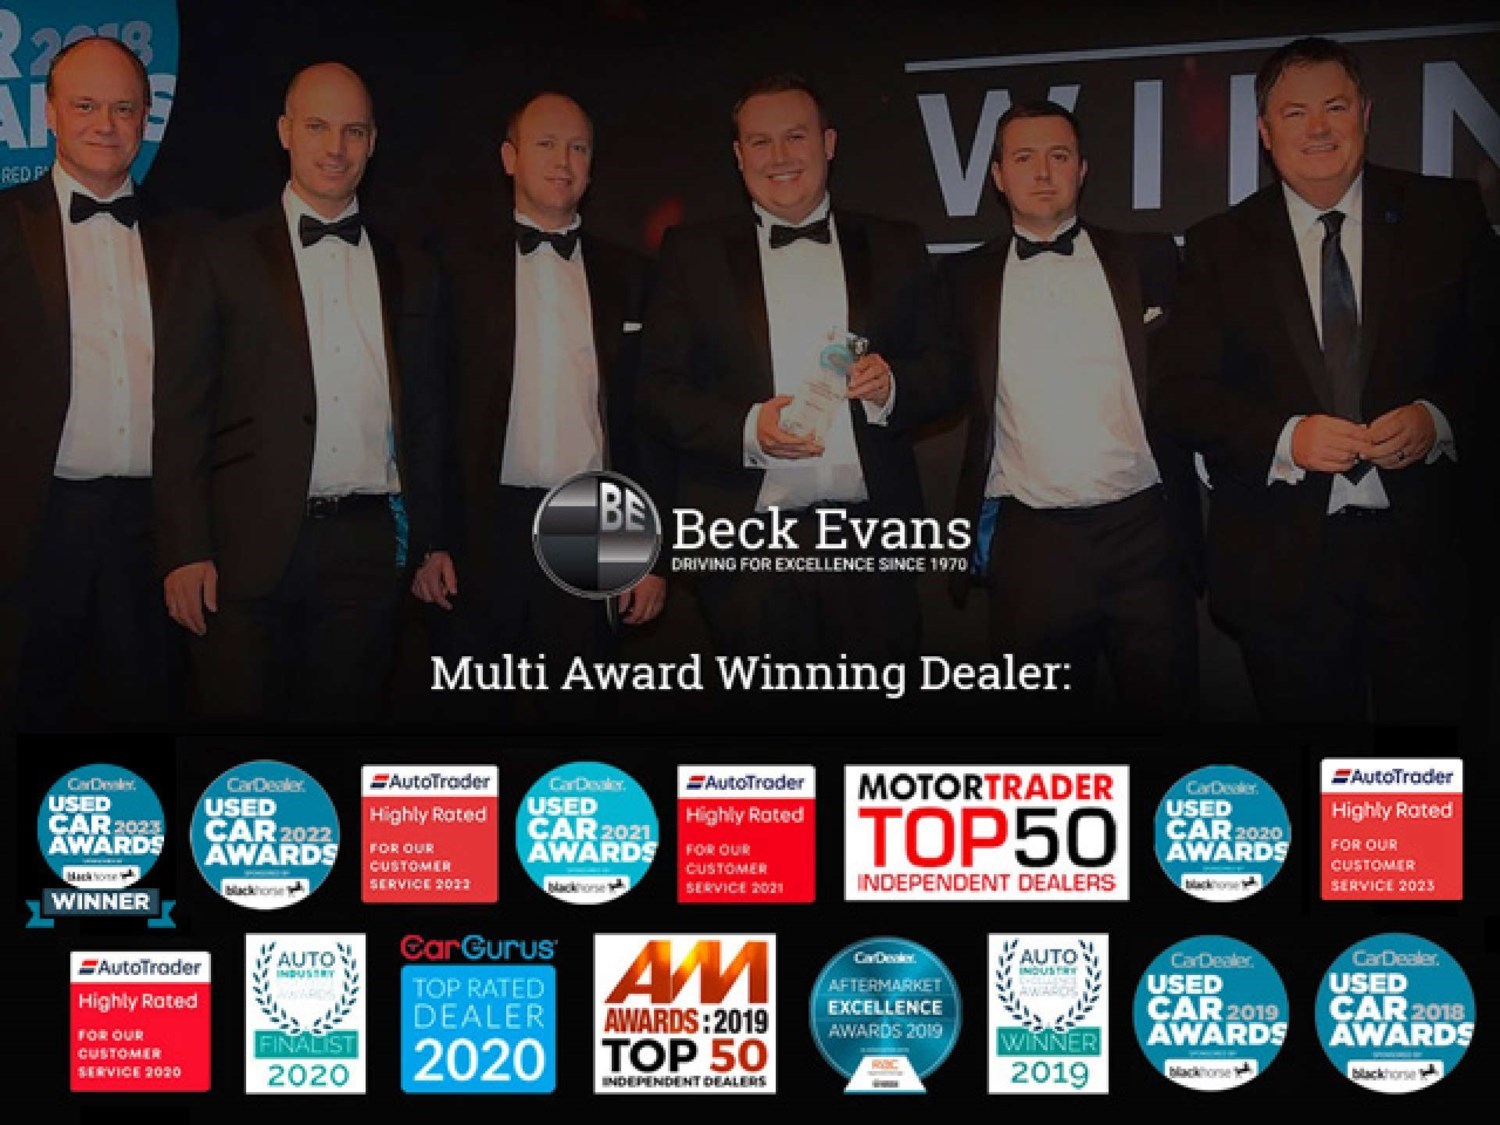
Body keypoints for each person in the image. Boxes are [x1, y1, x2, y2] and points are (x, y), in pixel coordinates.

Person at [1160, 36, 1499, 725]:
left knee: (1426, 778)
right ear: (1265, 131)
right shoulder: (1218, 244)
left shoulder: (1447, 214)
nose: (1317, 128)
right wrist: (1288, 437)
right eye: (1295, 113)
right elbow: (1181, 394)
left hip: (1432, 561)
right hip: (1283, 571)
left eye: (1335, 107)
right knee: (1310, 769)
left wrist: (1437, 418)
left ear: (1365, 114)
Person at [154, 61, 440, 725]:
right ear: (285, 131)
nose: (335, 147)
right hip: (242, 552)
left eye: (353, 131)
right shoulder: (219, 253)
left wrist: (432, 540)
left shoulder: (411, 266)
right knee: (242, 758)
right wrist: (184, 548)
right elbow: (180, 412)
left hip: (368, 549)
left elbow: (427, 412)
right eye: (317, 127)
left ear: (373, 142)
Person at [639, 73, 957, 668]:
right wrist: (745, 427)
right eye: (760, 142)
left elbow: (948, 369)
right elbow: (656, 389)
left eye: (796, 136)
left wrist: (892, 388)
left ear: (828, 143)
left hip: (871, 540)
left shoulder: (895, 244)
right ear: (739, 157)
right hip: (746, 546)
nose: (779, 156)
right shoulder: (692, 253)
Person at [411, 91, 666, 723]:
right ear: (510, 157)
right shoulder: (453, 267)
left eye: (578, 148)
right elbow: (428, 409)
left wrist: (649, 552)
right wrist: (430, 539)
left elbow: (646, 424)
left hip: (593, 523)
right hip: (481, 530)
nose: (563, 161)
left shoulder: (631, 275)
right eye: (546, 144)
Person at [946, 99, 1201, 726]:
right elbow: (933, 382)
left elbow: (1198, 372)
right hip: (1032, 546)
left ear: (1082, 169)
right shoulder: (961, 280)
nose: (1042, 172)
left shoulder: (1148, 258)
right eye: (1023, 158)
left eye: (1058, 156)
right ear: (998, 176)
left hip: (1144, 533)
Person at [0, 37, 191, 731]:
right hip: (30, 527)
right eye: (85, 106)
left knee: (146, 718)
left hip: (153, 532)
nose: (105, 125)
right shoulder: (4, 224)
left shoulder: (192, 238)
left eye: (123, 108)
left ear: (145, 118)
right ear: (49, 113)